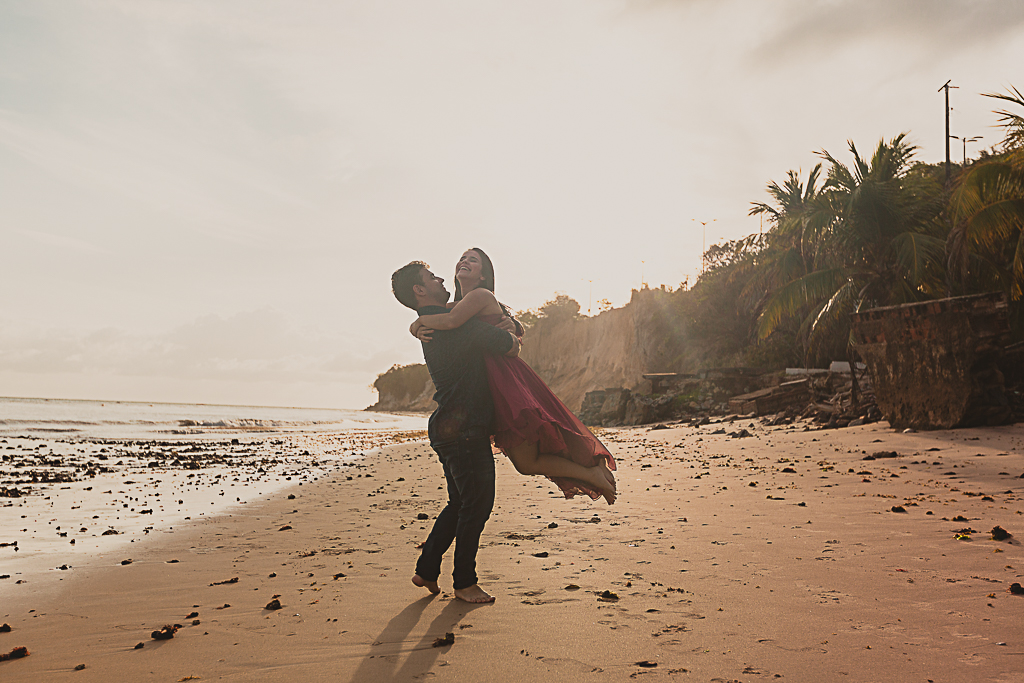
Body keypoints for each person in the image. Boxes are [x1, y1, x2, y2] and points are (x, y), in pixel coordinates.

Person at [410, 248, 617, 504]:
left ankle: (591, 473)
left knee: (528, 459)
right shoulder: (461, 304)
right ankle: (590, 473)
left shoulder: (479, 295)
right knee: (526, 462)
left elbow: (451, 321)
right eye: (462, 258)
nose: (464, 262)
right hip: (494, 383)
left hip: (506, 380)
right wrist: (419, 323)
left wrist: (418, 324)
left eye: (473, 260)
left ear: (484, 276)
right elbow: (453, 315)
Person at [392, 260, 520, 604]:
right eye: (431, 278)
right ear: (420, 290)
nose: (439, 278)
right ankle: (464, 582)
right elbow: (509, 345)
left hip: (448, 426)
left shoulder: (435, 323)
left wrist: (415, 323)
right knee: (477, 504)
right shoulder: (453, 326)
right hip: (463, 428)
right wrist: (509, 330)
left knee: (460, 502)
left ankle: (427, 568)